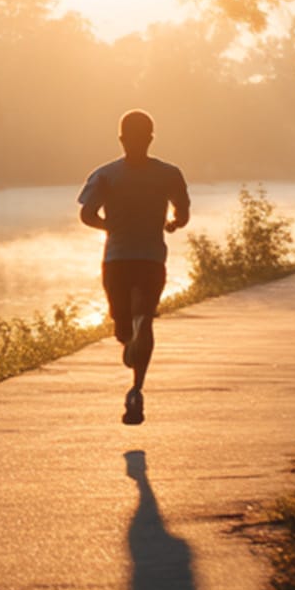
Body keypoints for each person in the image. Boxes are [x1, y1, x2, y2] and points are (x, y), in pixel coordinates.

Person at [78, 110, 189, 425]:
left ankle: (131, 336)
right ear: (151, 139)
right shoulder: (169, 174)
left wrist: (108, 225)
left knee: (122, 327)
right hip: (152, 258)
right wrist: (172, 224)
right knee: (145, 318)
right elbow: (183, 213)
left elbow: (87, 214)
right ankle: (137, 389)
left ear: (121, 139)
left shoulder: (105, 175)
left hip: (117, 259)